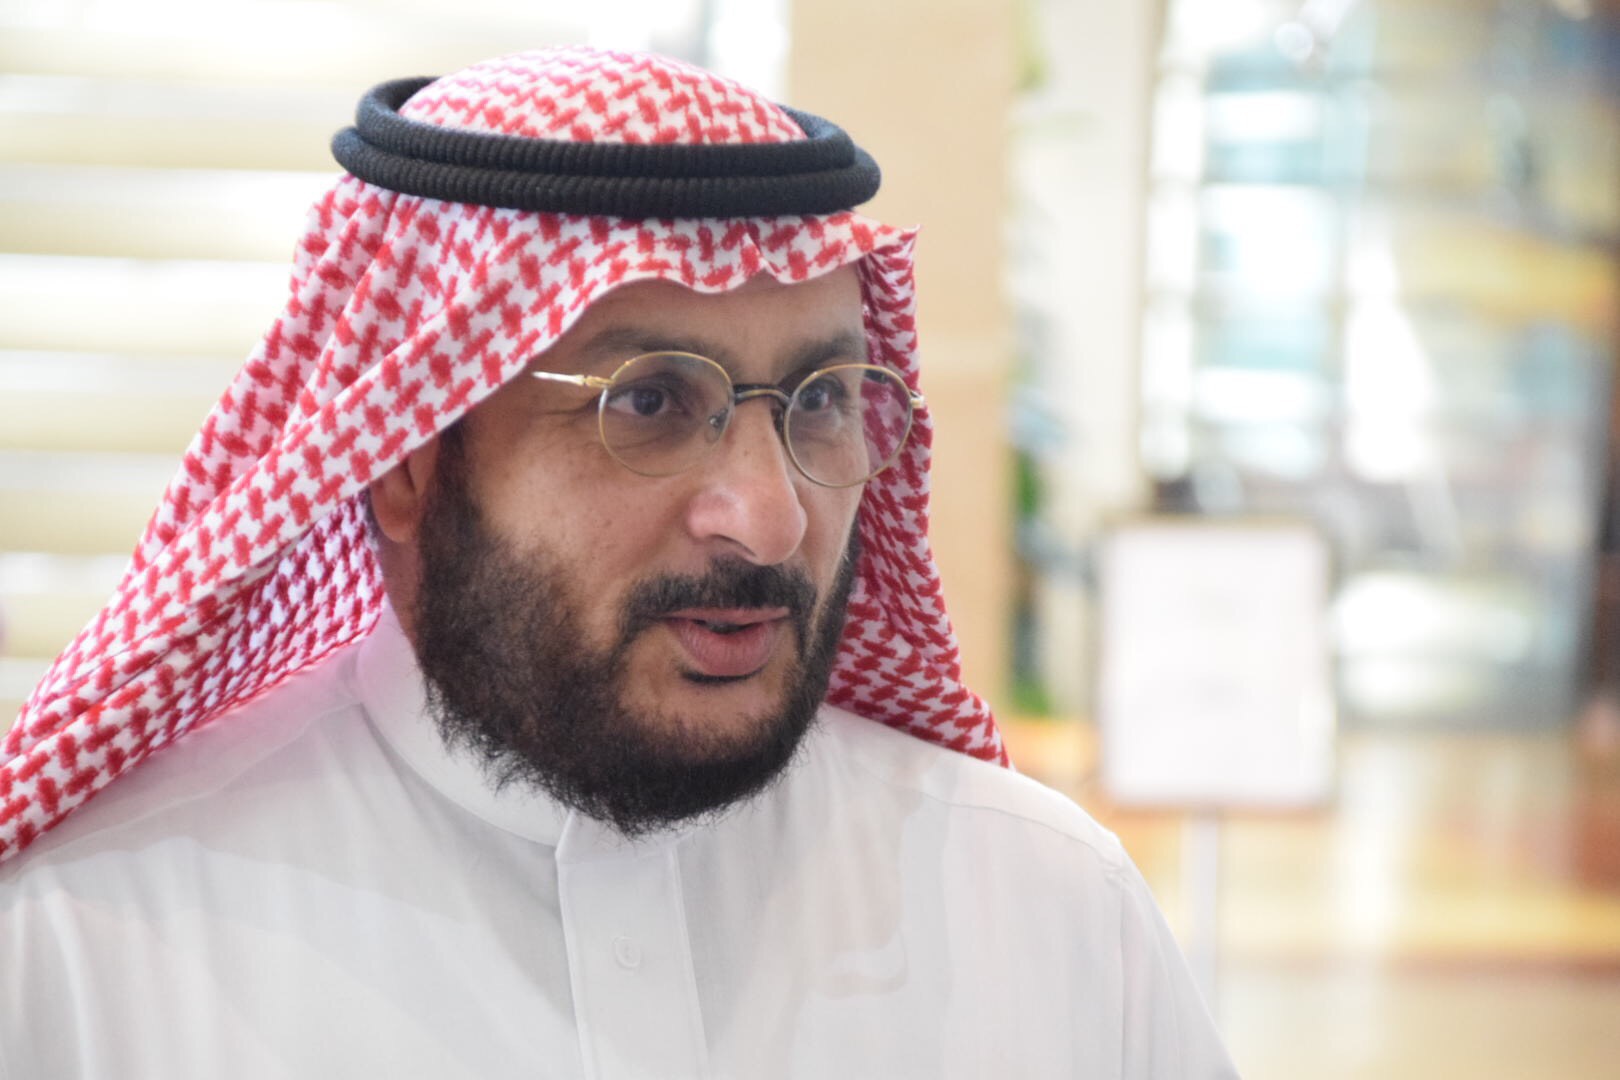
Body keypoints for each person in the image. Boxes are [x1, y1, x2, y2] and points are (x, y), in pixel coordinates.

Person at [1, 47, 1238, 1078]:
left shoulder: (1049, 909)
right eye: (648, 401)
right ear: (406, 459)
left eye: (819, 401)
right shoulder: (78, 944)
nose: (771, 521)